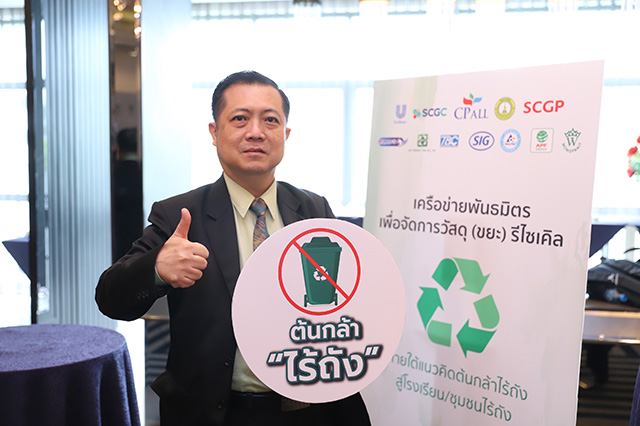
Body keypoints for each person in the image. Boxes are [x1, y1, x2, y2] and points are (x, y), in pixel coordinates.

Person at [95, 71, 371, 426]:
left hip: (306, 409)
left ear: (286, 135)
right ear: (214, 132)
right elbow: (110, 298)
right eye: (240, 119)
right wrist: (157, 268)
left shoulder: (314, 209)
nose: (256, 132)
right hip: (218, 412)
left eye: (270, 120)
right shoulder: (180, 215)